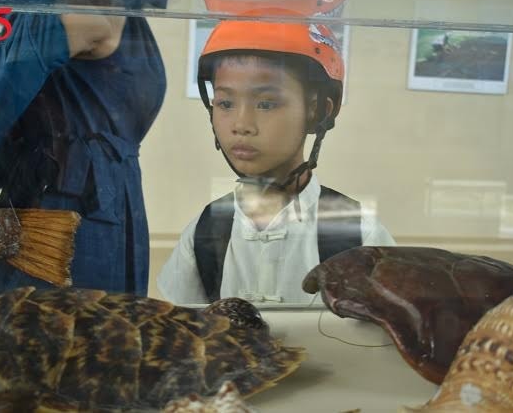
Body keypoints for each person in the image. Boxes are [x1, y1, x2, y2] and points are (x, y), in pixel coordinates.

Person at [0, 0, 168, 302]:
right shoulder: (90, 16)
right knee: (45, 330)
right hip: (69, 200)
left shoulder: (119, 15)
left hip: (103, 196)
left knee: (90, 333)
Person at [157, 19, 395, 305]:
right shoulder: (204, 231)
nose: (241, 125)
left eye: (266, 104)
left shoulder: (358, 233)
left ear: (318, 109)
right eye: (225, 103)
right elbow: (181, 331)